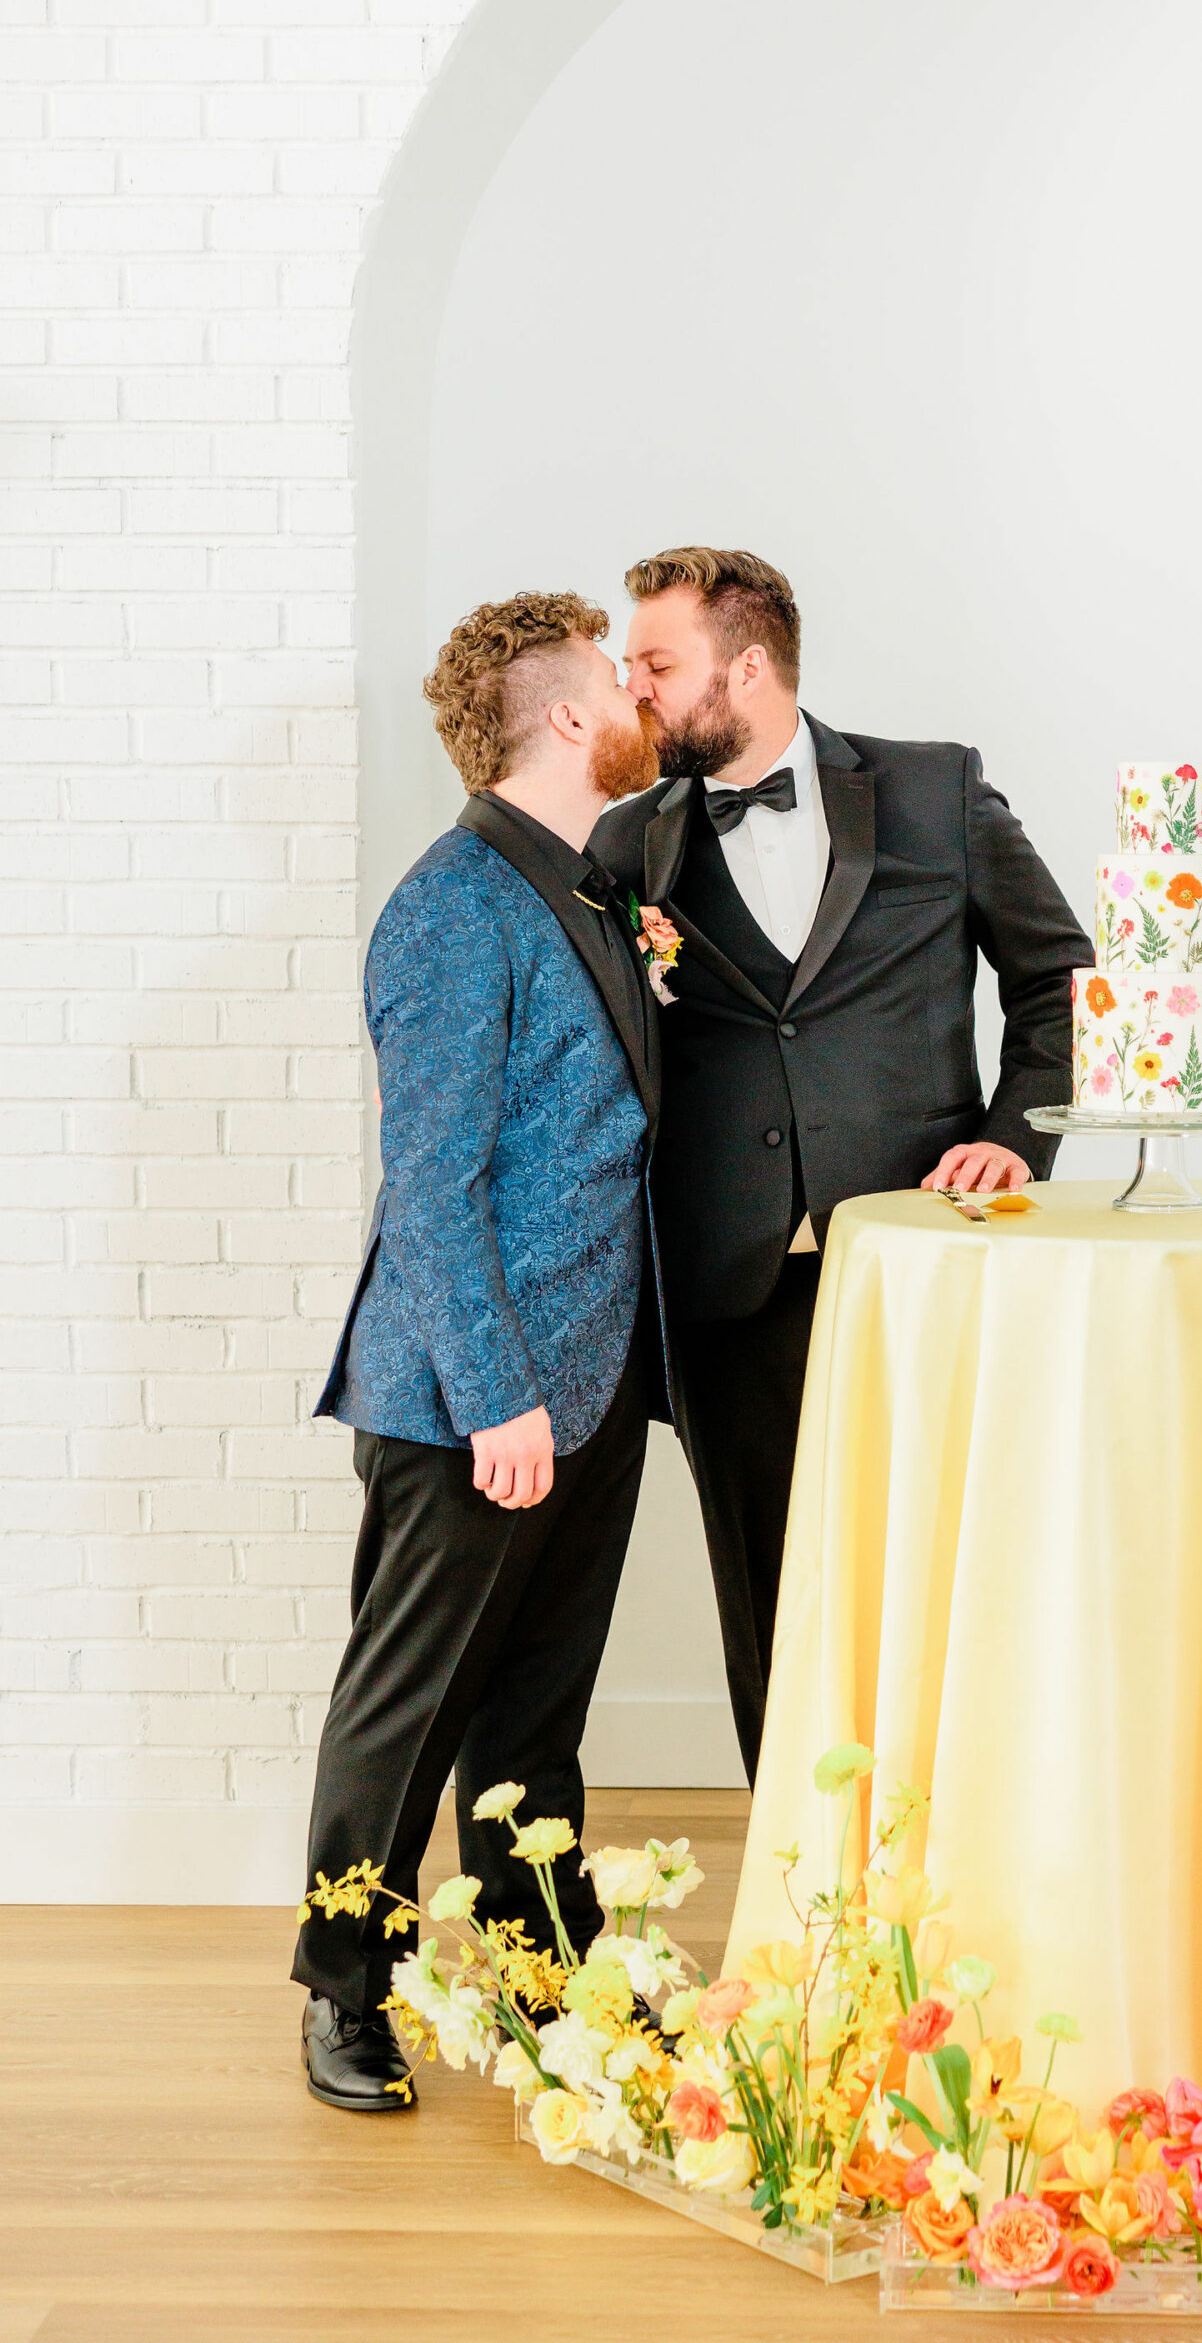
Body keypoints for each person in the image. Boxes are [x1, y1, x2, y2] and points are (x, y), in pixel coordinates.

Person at [591, 547, 1091, 1785]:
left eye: (657, 664)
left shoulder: (934, 791)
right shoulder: (626, 841)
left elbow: (1063, 984)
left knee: (952, 1579)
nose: (633, 689)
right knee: (767, 1598)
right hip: (727, 1285)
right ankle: (799, 1897)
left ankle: (959, 1866)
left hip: (923, 1260)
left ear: (747, 666)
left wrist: (1016, 1135)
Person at [293, 590, 664, 2112]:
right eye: (616, 680)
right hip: (477, 1398)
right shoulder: (450, 905)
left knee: (532, 1720)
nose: (641, 696)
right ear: (569, 717)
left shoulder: (584, 890)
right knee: (406, 1710)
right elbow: (429, 1184)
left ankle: (537, 1980)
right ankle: (340, 1989)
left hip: (592, 1389)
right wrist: (497, 1391)